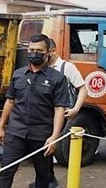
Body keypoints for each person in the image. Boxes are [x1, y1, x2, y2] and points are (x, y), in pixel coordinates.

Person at [0, 34, 70, 188]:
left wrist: (55, 137)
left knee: (43, 174)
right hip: (16, 132)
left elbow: (59, 109)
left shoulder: (57, 79)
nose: (34, 53)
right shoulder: (18, 75)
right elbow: (10, 101)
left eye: (39, 50)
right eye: (31, 49)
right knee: (6, 171)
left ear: (48, 52)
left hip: (41, 136)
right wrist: (1, 126)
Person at [28, 38, 88, 188]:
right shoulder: (39, 66)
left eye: (42, 51)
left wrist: (75, 109)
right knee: (44, 145)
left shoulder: (66, 67)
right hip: (44, 114)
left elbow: (82, 88)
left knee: (47, 144)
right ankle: (48, 179)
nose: (37, 54)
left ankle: (47, 180)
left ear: (51, 51)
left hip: (60, 113)